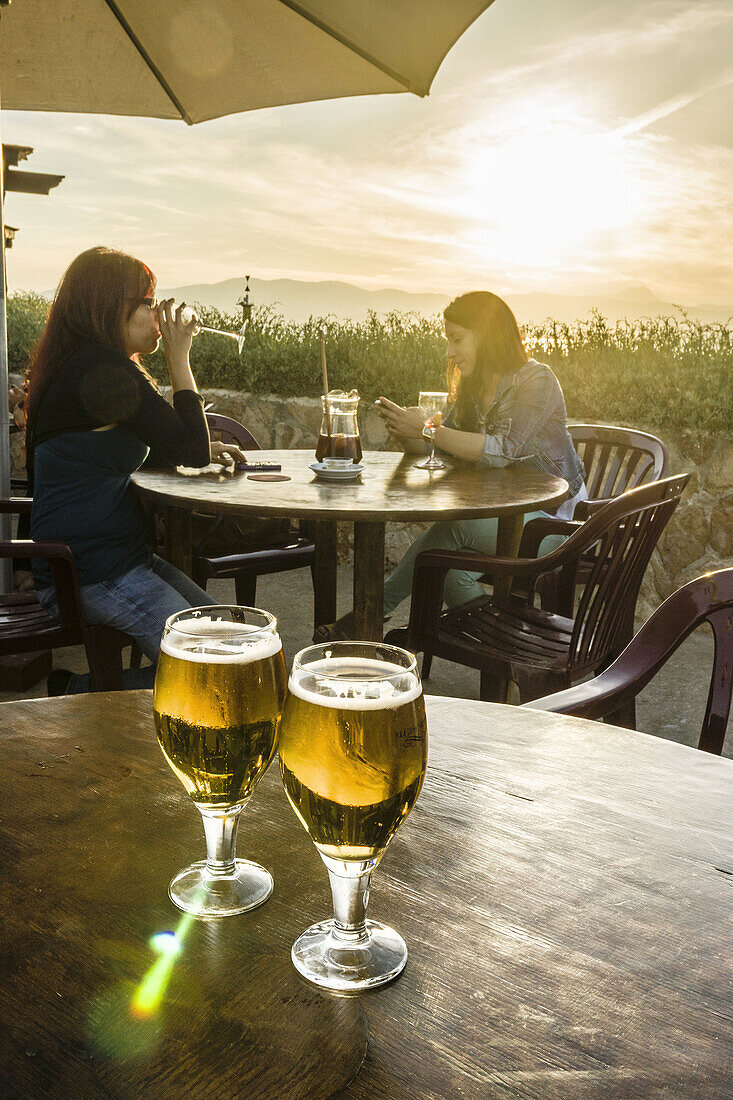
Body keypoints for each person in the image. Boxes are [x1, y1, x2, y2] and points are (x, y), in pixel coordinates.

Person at [25, 245, 244, 695]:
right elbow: (189, 450)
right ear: (109, 307)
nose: (159, 317)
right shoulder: (100, 368)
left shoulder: (94, 364)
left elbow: (164, 443)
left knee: (241, 645)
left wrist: (206, 443)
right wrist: (180, 357)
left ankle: (77, 690)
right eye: (148, 303)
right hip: (90, 572)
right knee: (222, 673)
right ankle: (84, 695)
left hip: (119, 559)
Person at [317, 290, 587, 641]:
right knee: (443, 570)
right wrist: (407, 430)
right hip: (503, 513)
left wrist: (430, 430)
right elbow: (446, 451)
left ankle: (370, 617)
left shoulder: (537, 380)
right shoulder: (475, 386)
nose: (449, 352)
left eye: (456, 339)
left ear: (488, 336)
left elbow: (501, 451)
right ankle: (506, 641)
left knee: (447, 535)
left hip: (555, 522)